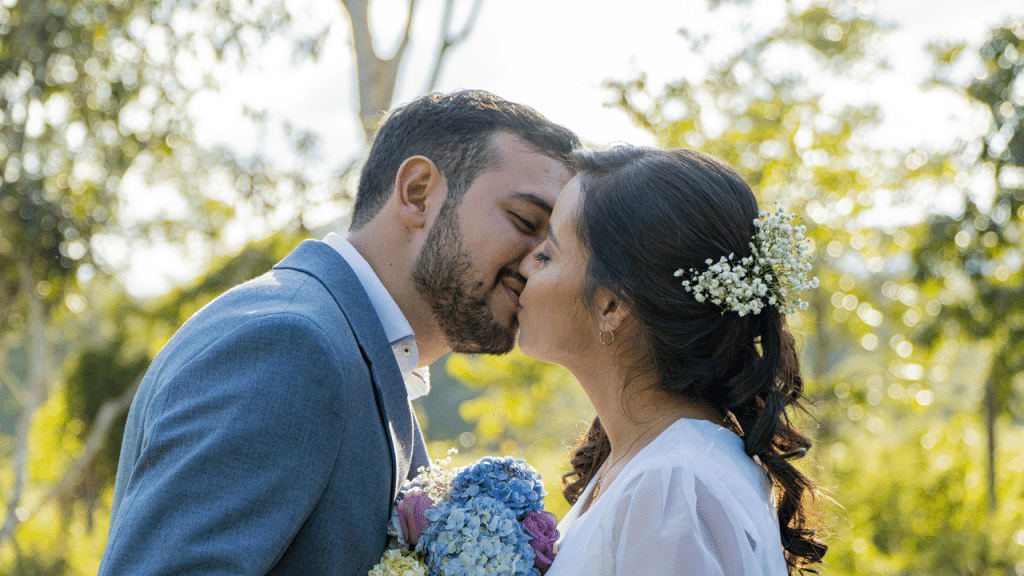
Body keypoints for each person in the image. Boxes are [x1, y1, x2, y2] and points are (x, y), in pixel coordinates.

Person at [98, 90, 578, 575]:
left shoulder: (358, 356)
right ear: (418, 193)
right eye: (525, 221)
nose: (541, 262)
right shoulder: (288, 346)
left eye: (556, 244)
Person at [517, 146, 827, 575]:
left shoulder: (674, 487)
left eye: (547, 253)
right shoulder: (654, 463)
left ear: (611, 304)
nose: (524, 265)